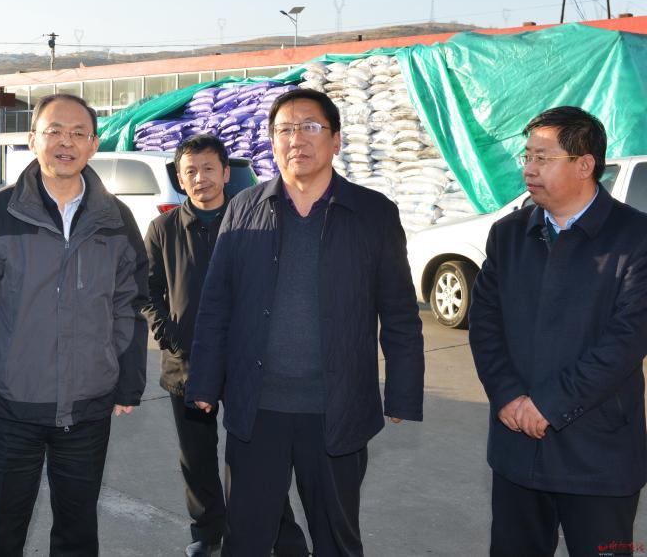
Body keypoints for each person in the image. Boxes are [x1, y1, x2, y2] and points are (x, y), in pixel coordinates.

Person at [186, 88, 424, 557]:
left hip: (336, 408)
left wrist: (402, 391)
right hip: (257, 408)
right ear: (272, 143)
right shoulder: (244, 207)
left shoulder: (373, 213)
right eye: (285, 130)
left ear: (336, 139)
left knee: (336, 538)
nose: (296, 138)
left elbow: (399, 310)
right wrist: (205, 381)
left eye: (310, 127)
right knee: (246, 538)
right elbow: (217, 304)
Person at [0, 93, 148, 556]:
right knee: (3, 531)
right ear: (33, 139)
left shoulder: (116, 219)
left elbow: (130, 304)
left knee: (78, 533)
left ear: (94, 144)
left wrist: (127, 379)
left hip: (88, 407)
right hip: (11, 404)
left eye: (78, 133)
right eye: (54, 131)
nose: (66, 142)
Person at [469, 106, 647, 556]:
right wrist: (508, 395)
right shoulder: (509, 235)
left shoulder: (635, 238)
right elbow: (485, 323)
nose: (528, 169)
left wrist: (549, 405)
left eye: (543, 158)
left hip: (597, 454)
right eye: (527, 156)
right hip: (517, 448)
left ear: (585, 165)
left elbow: (626, 341)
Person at [143, 134, 308, 557]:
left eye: (208, 169)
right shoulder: (163, 229)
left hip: (247, 364)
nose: (200, 178)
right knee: (196, 457)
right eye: (191, 171)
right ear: (180, 179)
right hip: (186, 364)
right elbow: (147, 292)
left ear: (224, 173)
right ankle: (207, 531)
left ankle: (282, 535)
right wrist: (172, 337)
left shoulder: (250, 224)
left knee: (257, 457)